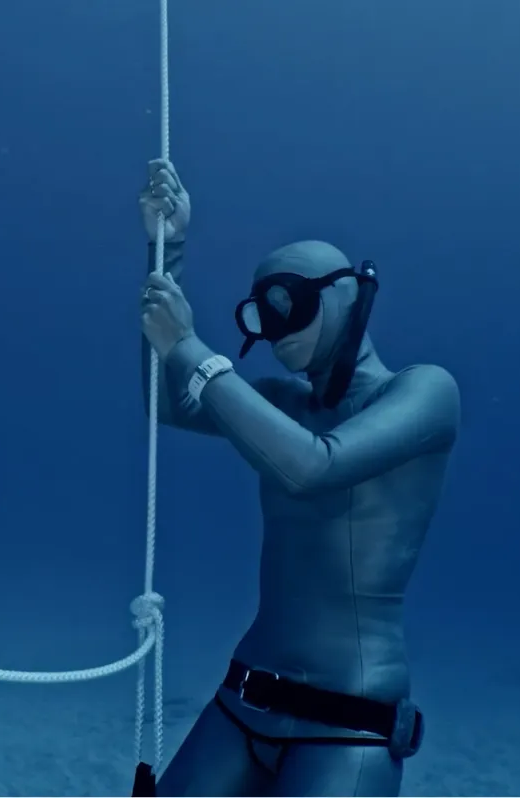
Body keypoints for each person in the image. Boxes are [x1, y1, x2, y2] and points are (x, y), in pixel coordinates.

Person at [136, 159, 461, 797]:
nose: (274, 327)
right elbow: (164, 402)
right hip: (242, 697)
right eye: (259, 314)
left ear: (345, 295)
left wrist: (194, 348)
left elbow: (316, 466)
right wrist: (165, 247)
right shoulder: (282, 402)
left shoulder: (425, 391)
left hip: (347, 727)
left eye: (286, 304)